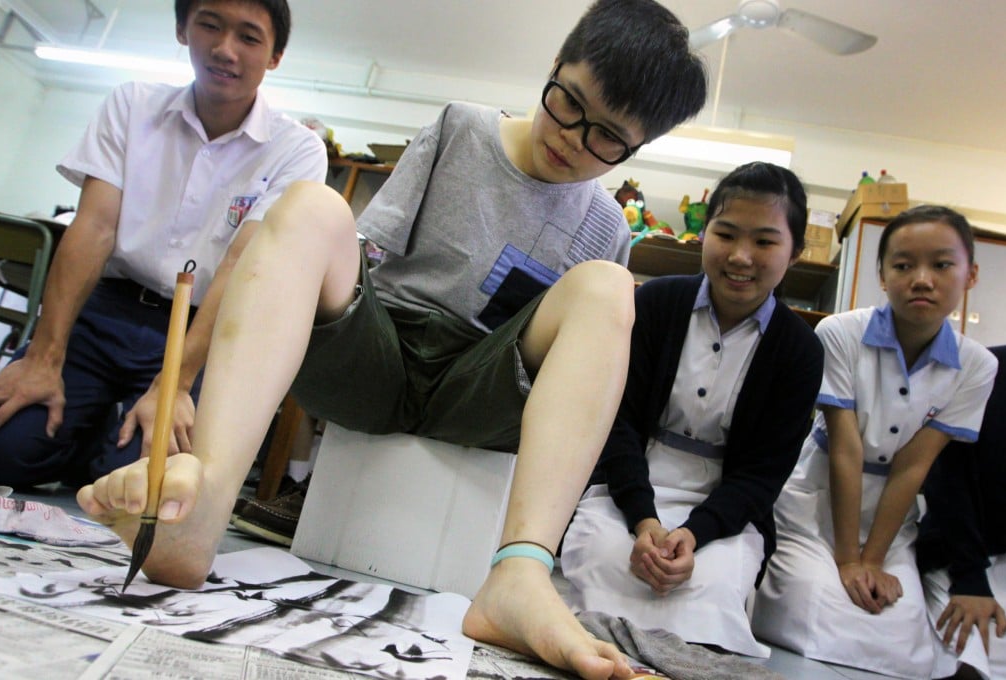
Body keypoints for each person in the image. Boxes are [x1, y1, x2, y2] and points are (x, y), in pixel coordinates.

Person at [76, 0, 709, 677]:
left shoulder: (606, 222)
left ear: (637, 148)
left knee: (612, 288)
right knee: (312, 205)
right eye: (568, 103)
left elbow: (567, 366)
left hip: (481, 388)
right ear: (554, 66)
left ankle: (520, 575)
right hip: (378, 352)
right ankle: (204, 503)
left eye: (607, 138)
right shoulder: (462, 128)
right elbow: (368, 252)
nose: (573, 139)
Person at [0, 0, 327, 488]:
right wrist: (42, 359)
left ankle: (97, 444)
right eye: (209, 26)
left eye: (249, 38)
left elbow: (239, 266)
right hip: (106, 311)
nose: (225, 49)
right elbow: (94, 229)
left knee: (132, 481)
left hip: (195, 333)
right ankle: (80, 436)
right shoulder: (133, 106)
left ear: (274, 56)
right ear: (181, 29)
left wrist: (179, 382)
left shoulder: (296, 149)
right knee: (2, 450)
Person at [560, 162, 824, 657]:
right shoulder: (656, 303)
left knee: (713, 583)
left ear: (795, 252)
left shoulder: (800, 350)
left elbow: (763, 475)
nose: (740, 256)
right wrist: (644, 520)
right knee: (602, 556)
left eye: (765, 242)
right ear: (704, 233)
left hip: (724, 507)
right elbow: (615, 421)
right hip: (630, 485)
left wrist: (692, 534)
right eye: (725, 233)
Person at [751, 205, 998, 679]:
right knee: (811, 610)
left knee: (901, 636)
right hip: (814, 505)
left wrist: (873, 559)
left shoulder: (977, 365)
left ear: (970, 275)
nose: (921, 279)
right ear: (882, 275)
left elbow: (913, 465)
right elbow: (846, 450)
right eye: (903, 266)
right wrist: (847, 561)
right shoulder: (842, 332)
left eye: (942, 265)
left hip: (891, 523)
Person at [916, 343, 1006, 680]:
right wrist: (970, 578)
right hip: (969, 553)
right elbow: (947, 478)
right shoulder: (988, 368)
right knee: (976, 647)